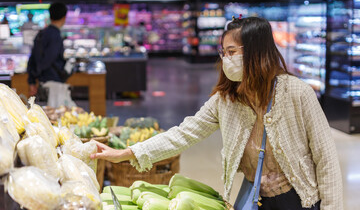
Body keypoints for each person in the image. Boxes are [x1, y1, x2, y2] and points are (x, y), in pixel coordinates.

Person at [90, 17, 343, 210]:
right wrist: (127, 152)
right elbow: (183, 134)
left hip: (301, 199)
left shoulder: (297, 93)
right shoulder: (227, 99)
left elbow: (326, 159)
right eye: (223, 52)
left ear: (255, 52)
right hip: (256, 199)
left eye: (232, 52)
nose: (226, 59)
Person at [27, 2, 68, 97]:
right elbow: (48, 59)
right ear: (64, 18)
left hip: (41, 82)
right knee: (54, 111)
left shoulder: (41, 34)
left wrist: (32, 80)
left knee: (43, 110)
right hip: (53, 82)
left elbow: (32, 58)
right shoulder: (56, 36)